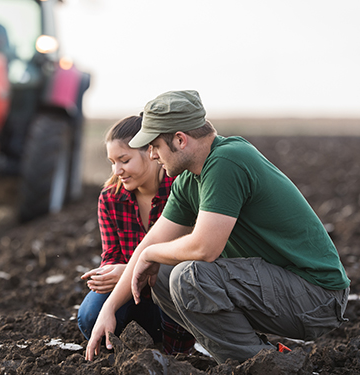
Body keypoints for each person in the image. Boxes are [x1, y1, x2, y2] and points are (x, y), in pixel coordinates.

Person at [85, 90, 350, 364]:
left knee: (189, 276)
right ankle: (258, 357)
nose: (152, 155)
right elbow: (150, 243)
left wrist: (150, 255)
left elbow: (204, 248)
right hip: (279, 288)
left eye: (155, 146)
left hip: (316, 297)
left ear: (179, 140)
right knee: (162, 274)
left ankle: (268, 365)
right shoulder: (188, 180)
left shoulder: (227, 161)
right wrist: (110, 309)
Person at [78, 115, 196, 355]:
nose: (117, 170)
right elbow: (111, 255)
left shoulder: (180, 188)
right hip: (133, 296)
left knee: (171, 277)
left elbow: (192, 253)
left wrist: (134, 271)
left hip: (175, 294)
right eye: (112, 162)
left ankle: (176, 354)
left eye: (124, 160)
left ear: (151, 152)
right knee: (90, 315)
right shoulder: (110, 197)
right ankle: (126, 350)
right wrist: (114, 272)